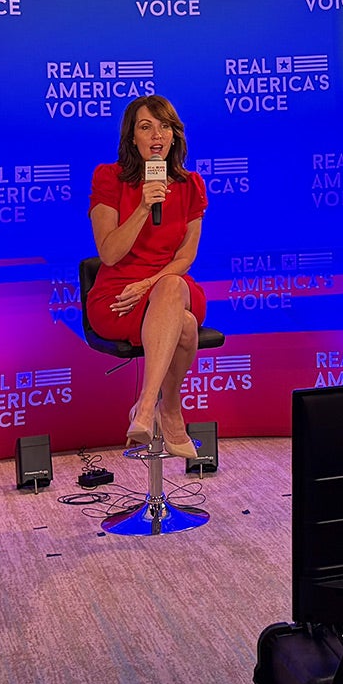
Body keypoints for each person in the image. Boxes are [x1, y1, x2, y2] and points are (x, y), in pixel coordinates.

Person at [87, 95, 207, 457]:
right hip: (118, 296)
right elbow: (108, 252)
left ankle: (145, 406)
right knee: (185, 325)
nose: (157, 134)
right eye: (146, 126)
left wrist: (149, 284)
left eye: (165, 126)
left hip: (168, 284)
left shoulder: (191, 185)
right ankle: (169, 410)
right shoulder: (108, 177)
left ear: (174, 136)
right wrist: (142, 207)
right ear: (132, 138)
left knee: (172, 286)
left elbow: (185, 256)